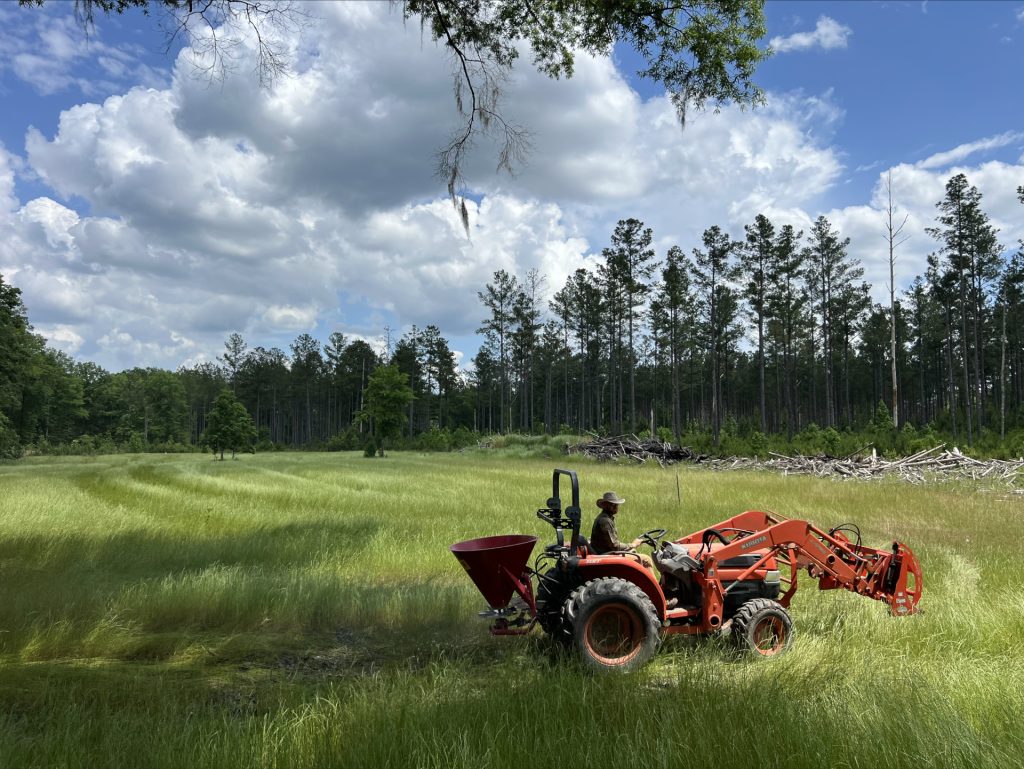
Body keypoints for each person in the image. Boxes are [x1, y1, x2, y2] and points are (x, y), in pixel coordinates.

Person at [589, 491, 654, 571]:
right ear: (605, 506)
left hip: (606, 552)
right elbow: (614, 545)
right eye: (612, 504)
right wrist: (633, 544)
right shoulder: (605, 521)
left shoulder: (606, 518)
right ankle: (650, 584)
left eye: (616, 504)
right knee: (646, 560)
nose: (616, 506)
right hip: (607, 555)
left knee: (633, 552)